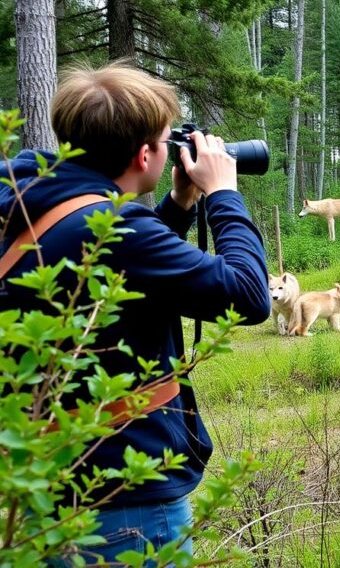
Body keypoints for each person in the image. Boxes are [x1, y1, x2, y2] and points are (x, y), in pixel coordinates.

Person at [0, 62, 270, 562]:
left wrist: (178, 207)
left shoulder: (32, 206)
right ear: (145, 153)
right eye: (169, 140)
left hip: (45, 488)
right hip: (126, 506)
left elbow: (115, 276)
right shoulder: (119, 230)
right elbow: (250, 295)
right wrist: (224, 195)